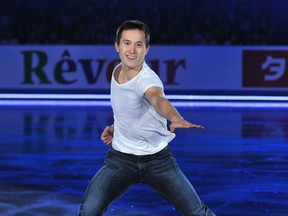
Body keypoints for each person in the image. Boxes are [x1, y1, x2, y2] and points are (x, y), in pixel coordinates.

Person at [78, 20, 216, 216]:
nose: (132, 50)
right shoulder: (117, 70)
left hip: (157, 161)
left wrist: (174, 117)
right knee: (88, 211)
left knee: (196, 213)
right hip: (120, 160)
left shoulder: (148, 79)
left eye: (139, 44)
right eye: (127, 43)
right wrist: (116, 126)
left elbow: (157, 99)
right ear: (117, 46)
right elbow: (129, 107)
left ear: (147, 49)